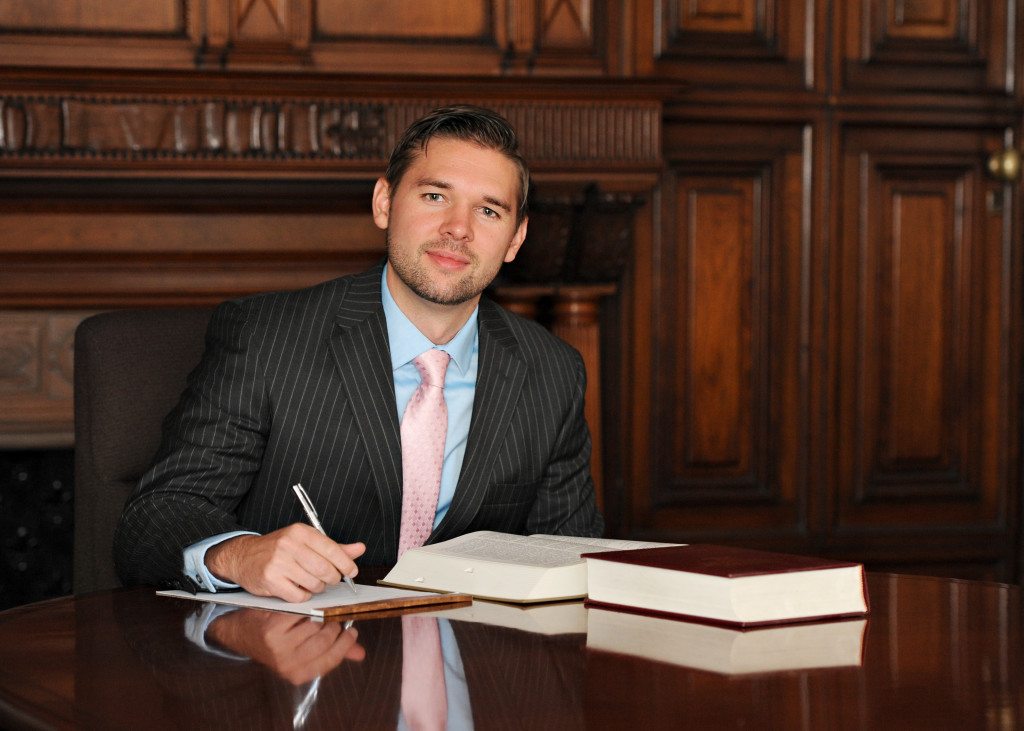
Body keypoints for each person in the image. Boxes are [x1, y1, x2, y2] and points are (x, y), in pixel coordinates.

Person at [113, 104, 604, 602]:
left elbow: (571, 555)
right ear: (384, 203)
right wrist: (240, 554)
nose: (459, 228)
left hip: (469, 662)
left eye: (489, 210)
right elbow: (157, 517)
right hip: (295, 660)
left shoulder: (552, 371)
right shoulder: (266, 337)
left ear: (515, 238)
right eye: (435, 195)